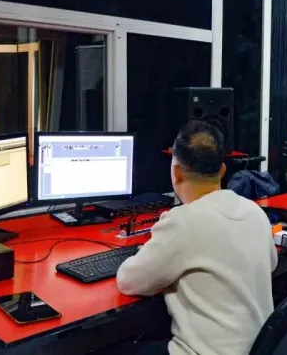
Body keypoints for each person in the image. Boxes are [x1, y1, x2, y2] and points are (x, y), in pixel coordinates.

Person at [116, 120, 278, 355]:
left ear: (176, 173)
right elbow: (271, 264)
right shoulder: (254, 212)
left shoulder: (182, 222)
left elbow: (128, 282)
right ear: (223, 170)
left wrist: (147, 255)